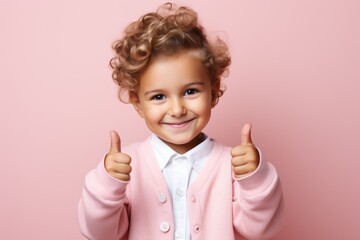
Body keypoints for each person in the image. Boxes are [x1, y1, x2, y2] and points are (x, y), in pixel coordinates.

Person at [78, 3, 284, 240]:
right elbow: (99, 234)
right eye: (158, 97)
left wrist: (255, 178)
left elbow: (261, 230)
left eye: (190, 92)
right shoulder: (125, 167)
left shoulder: (233, 166)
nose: (177, 110)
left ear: (213, 91)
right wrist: (107, 185)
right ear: (137, 103)